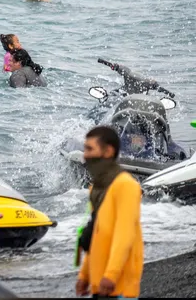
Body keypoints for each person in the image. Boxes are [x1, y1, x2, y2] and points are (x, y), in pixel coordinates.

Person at [75, 126, 143, 299]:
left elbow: (125, 234)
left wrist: (111, 274)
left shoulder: (125, 185)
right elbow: (96, 234)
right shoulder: (97, 188)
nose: (85, 155)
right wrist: (84, 275)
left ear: (108, 152)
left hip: (119, 285)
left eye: (90, 149)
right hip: (100, 281)